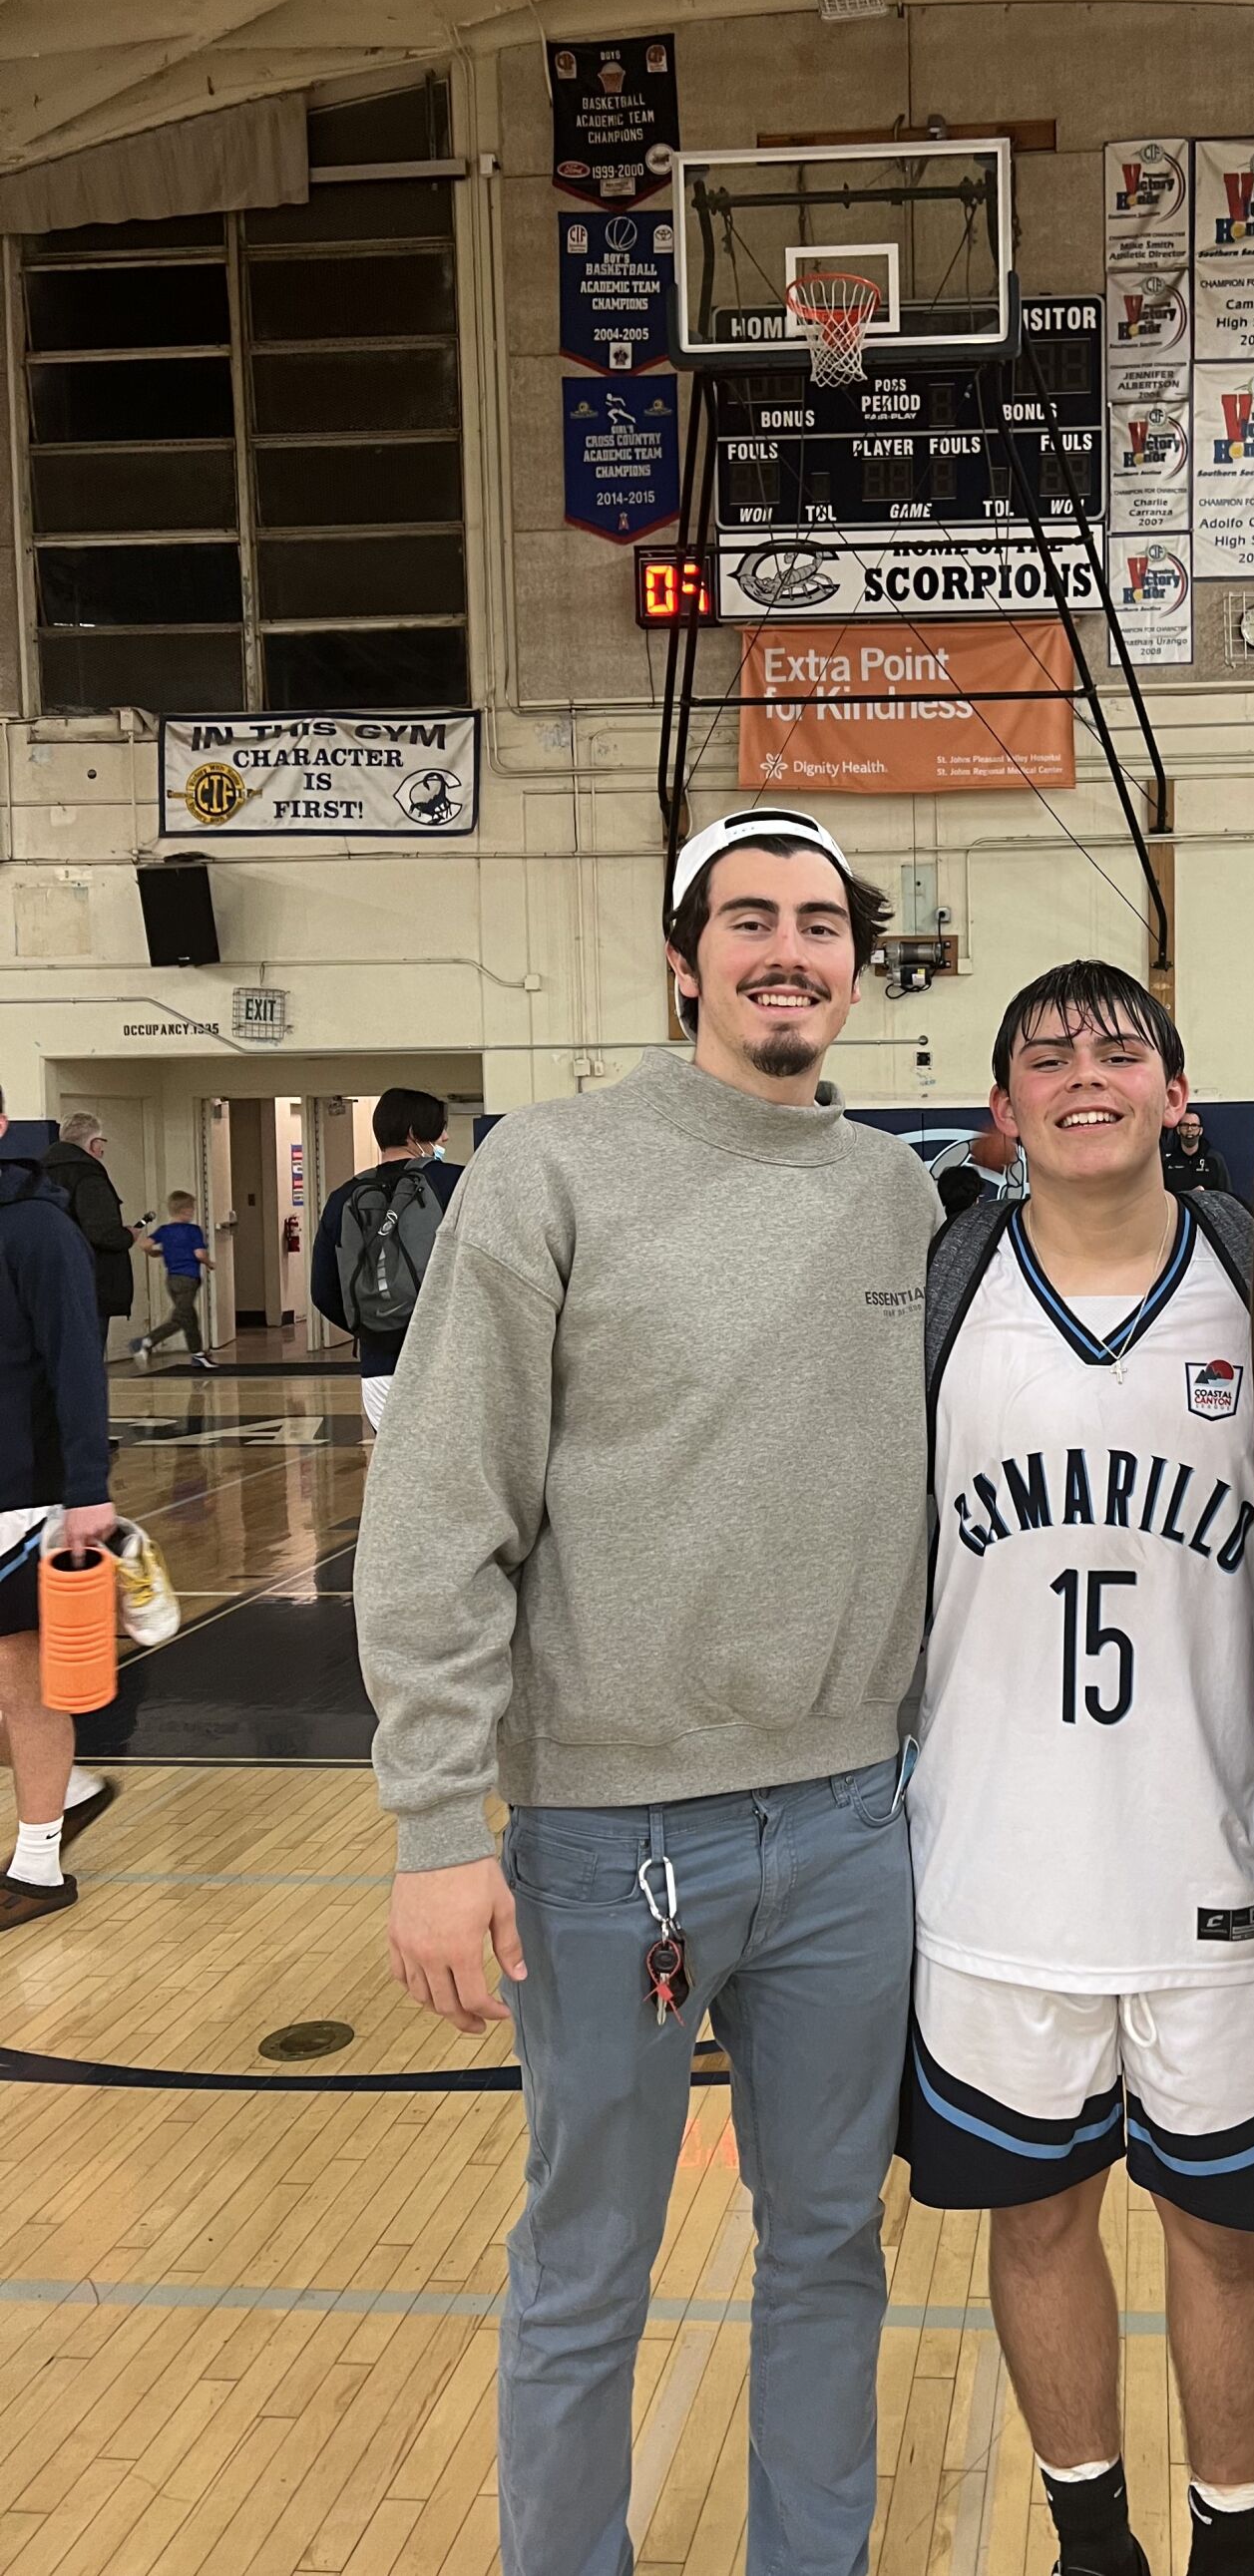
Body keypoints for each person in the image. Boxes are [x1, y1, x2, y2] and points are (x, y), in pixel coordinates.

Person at [355, 806, 939, 2576]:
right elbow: (441, 1509)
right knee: (588, 2259)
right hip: (609, 1842)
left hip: (851, 1824)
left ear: (856, 960)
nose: (788, 948)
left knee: (831, 2242)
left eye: (819, 922)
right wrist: (438, 1823)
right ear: (683, 961)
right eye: (748, 918)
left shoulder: (899, 1193)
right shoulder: (551, 1169)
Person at [908, 962, 1254, 2576]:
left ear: (1175, 1087)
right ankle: (1094, 2544)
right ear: (1004, 1109)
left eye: (1119, 1045)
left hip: (1224, 1877)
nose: (1086, 1071)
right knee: (1037, 2220)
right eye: (1047, 1053)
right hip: (991, 1871)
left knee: (1225, 2238)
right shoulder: (931, 1287)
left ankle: (1233, 2552)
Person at [0, 1089, 119, 1931]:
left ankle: (37, 1865)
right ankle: (69, 1787)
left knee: (24, 1681)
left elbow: (79, 1360)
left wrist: (86, 1488)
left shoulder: (39, 1228)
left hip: (24, 1492)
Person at [311, 1090, 462, 1431]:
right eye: (440, 1129)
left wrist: (372, 1324)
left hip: (379, 1367)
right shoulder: (456, 1183)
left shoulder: (343, 1197)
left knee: (401, 1474)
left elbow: (322, 1291)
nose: (446, 1137)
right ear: (413, 1133)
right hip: (450, 1360)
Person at [40, 1111, 138, 1347]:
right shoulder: (89, 1176)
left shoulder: (38, 1173)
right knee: (88, 1353)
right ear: (94, 1144)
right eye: (102, 1142)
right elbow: (102, 1233)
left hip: (47, 1277)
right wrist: (127, 1236)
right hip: (90, 1280)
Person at [130, 1191, 217, 1371]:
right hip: (188, 1278)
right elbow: (199, 1254)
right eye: (192, 1208)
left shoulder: (165, 1230)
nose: (192, 1211)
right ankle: (146, 1342)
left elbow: (144, 1244)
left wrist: (156, 1252)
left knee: (189, 1317)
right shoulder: (192, 1231)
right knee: (180, 1318)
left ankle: (198, 1355)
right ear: (186, 1210)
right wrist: (209, 1263)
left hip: (172, 1280)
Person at [1162, 1104, 1234, 1197]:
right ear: (1178, 1130)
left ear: (1200, 1130)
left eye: (1194, 1125)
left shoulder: (1214, 1159)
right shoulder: (1168, 1162)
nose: (1189, 1129)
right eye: (1185, 1125)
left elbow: (1227, 1195)